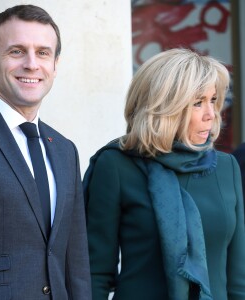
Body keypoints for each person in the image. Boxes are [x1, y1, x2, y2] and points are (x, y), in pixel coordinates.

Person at [0, 5, 91, 300]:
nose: (32, 64)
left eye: (43, 52)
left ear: (55, 64)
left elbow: (75, 263)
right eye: (16, 51)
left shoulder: (65, 150)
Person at [84, 48, 245, 300]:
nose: (211, 114)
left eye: (213, 100)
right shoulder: (116, 165)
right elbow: (94, 273)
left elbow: (238, 278)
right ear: (166, 107)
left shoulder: (226, 167)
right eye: (197, 103)